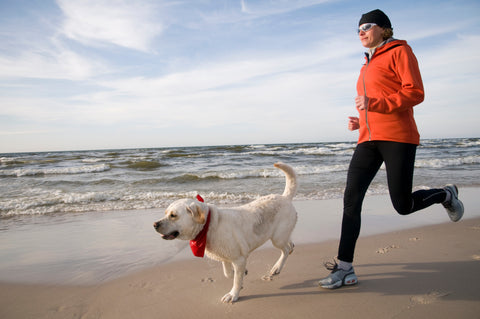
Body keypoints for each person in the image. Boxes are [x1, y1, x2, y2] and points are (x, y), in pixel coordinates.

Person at [318, 9, 465, 290]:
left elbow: (415, 92)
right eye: (358, 28)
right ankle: (344, 268)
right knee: (351, 199)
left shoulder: (401, 52)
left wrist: (374, 106)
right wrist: (361, 120)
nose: (360, 32)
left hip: (398, 138)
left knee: (403, 205)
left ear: (384, 29)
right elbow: (377, 101)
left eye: (367, 26)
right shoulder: (366, 64)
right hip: (367, 140)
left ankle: (446, 194)